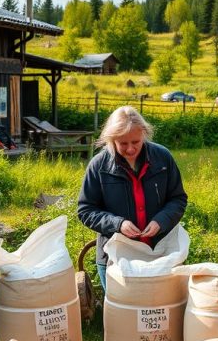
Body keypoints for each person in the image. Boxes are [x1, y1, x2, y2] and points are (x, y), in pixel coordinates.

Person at [77, 106, 188, 290]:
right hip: (115, 258)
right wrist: (118, 224)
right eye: (123, 143)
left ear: (144, 133)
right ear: (111, 140)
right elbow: (85, 210)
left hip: (160, 254)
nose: (130, 149)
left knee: (161, 311)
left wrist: (161, 220)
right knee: (123, 314)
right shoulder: (99, 165)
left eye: (135, 142)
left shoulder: (162, 158)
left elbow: (178, 199)